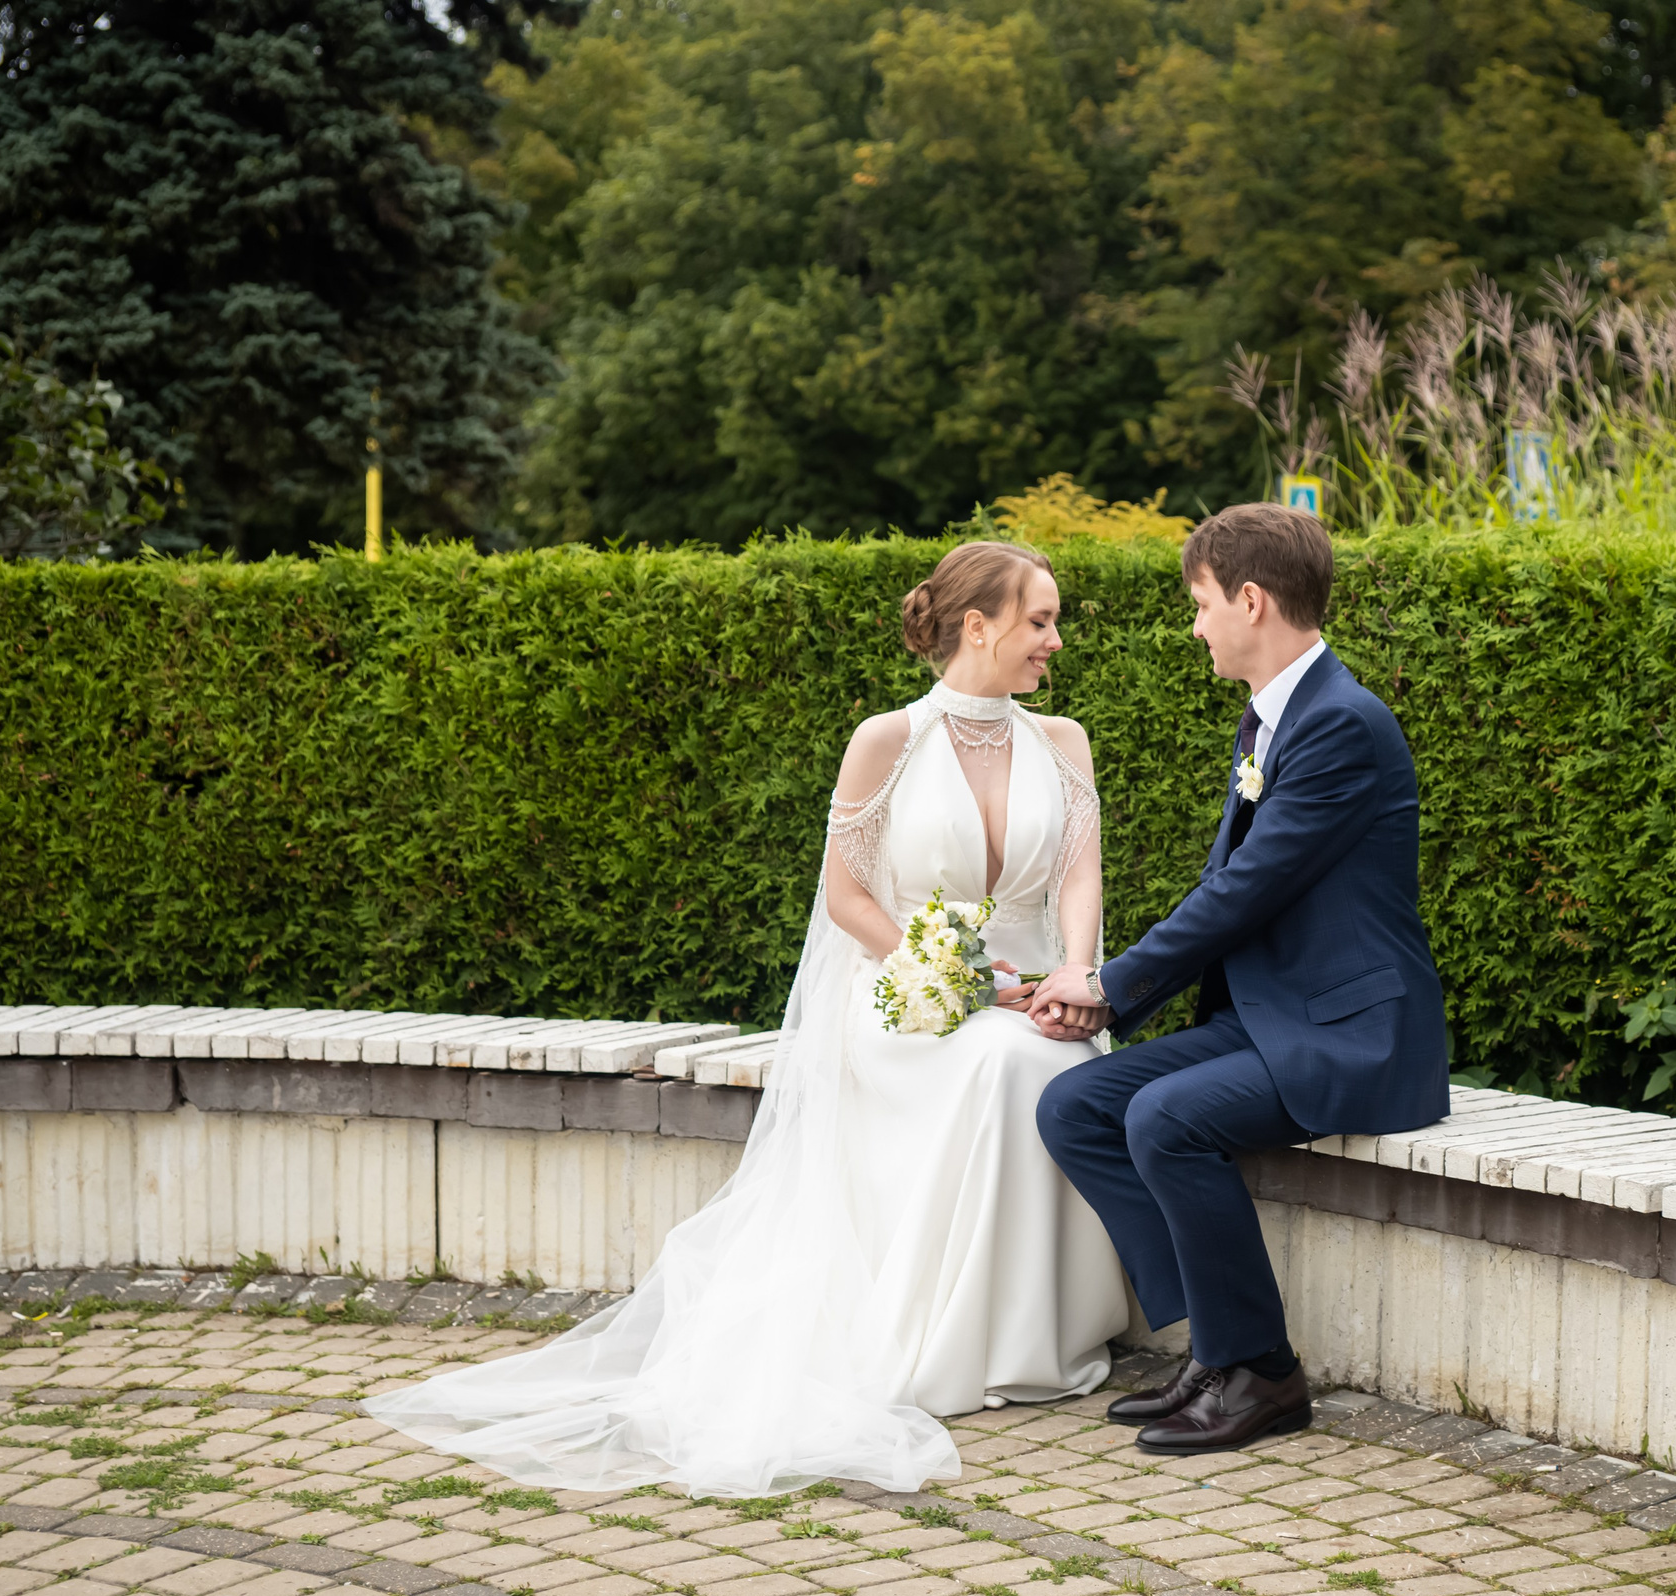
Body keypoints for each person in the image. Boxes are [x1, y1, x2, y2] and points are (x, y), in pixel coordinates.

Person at [365, 542, 1129, 1496]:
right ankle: (961, 1346)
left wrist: (1074, 971)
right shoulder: (887, 740)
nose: (1054, 641)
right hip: (909, 997)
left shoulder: (1063, 741)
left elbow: (1080, 874)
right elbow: (848, 899)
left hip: (1036, 993)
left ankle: (1043, 1332)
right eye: (1040, 621)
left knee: (1056, 1055)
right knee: (1003, 1064)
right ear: (979, 626)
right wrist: (956, 981)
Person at [1030, 503, 1450, 1455]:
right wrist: (1112, 985)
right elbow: (1229, 887)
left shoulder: (1340, 724)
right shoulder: (1274, 716)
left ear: (1251, 599)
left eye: (1202, 602)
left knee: (1164, 1118)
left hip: (1354, 1033)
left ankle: (1261, 1370)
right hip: (1273, 1018)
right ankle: (1217, 1348)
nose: (1196, 624)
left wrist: (1108, 982)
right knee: (1077, 1106)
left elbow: (1248, 892)